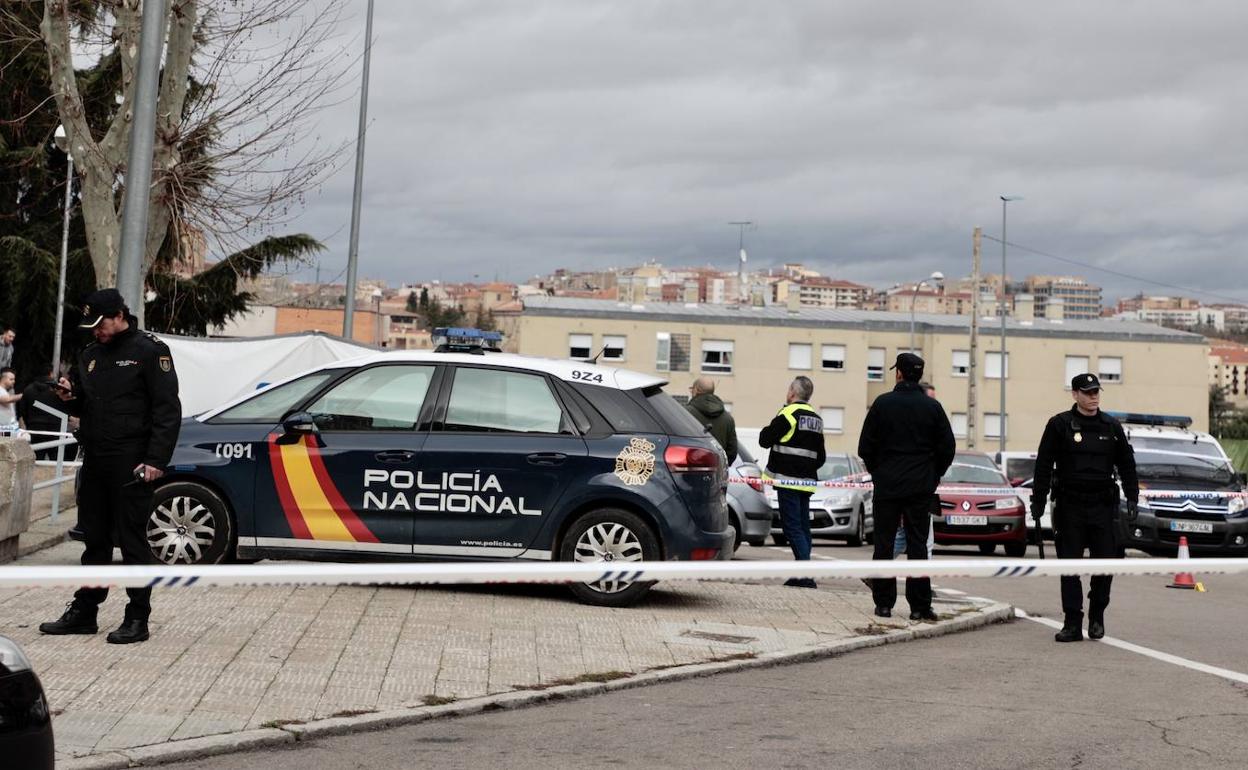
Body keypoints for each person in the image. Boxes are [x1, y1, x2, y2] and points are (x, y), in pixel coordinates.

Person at [39, 288, 181, 645]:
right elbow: (84, 406)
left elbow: (167, 409)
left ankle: (137, 616)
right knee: (95, 540)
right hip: (96, 458)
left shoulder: (150, 351)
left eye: (100, 323)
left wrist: (155, 461)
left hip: (131, 461)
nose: (95, 331)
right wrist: (70, 397)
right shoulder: (90, 354)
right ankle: (86, 611)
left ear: (120, 315)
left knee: (131, 541)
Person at [1031, 373, 1137, 643]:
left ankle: (1097, 615)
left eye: (1096, 392)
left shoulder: (1111, 427)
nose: (1094, 397)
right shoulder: (1059, 425)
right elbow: (1043, 465)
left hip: (1102, 506)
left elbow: (1126, 464)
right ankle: (1072, 622)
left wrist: (1133, 497)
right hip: (1071, 505)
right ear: (1075, 394)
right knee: (1069, 566)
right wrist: (1038, 501)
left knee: (1105, 565)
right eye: (1088, 392)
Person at [859, 353, 955, 620]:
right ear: (919, 375)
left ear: (899, 373)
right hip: (919, 487)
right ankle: (919, 606)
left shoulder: (882, 404)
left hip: (888, 486)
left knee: (884, 545)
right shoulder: (932, 407)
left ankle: (884, 604)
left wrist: (878, 472)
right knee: (918, 546)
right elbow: (948, 447)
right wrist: (933, 475)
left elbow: (865, 446)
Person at [759, 376, 826, 588]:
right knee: (803, 528)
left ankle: (805, 575)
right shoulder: (816, 419)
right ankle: (801, 574)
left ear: (792, 392)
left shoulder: (788, 414)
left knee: (793, 528)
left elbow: (764, 440)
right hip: (807, 482)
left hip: (788, 481)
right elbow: (821, 457)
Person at [893, 380, 939, 559]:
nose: (934, 402)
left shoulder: (932, 419)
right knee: (917, 538)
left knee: (913, 538)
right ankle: (876, 571)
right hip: (914, 487)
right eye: (931, 398)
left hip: (924, 487)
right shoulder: (919, 424)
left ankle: (876, 571)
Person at [17, 365, 72, 459]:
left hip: (35, 429)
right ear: (51, 373)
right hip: (56, 430)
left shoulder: (28, 389)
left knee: (36, 460)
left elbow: (23, 410)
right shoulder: (57, 389)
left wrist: (29, 423)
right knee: (56, 461)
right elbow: (66, 407)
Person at [685, 376, 738, 464]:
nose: (691, 392)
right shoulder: (728, 418)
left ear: (697, 390)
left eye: (692, 389)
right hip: (716, 471)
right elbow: (732, 452)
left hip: (690, 468)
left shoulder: (685, 413)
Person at [0, 367, 20, 435]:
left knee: (25, 436)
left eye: (14, 379)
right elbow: (7, 399)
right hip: (3, 429)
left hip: (8, 428)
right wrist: (25, 394)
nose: (14, 381)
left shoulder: (5, 392)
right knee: (25, 438)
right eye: (11, 379)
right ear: (3, 379)